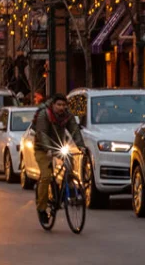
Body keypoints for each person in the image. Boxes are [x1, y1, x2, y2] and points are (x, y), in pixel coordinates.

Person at [30, 93, 84, 226]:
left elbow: (74, 130)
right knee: (46, 176)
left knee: (69, 161)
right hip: (42, 148)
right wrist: (48, 148)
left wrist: (81, 146)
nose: (61, 107)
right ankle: (42, 208)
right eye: (59, 105)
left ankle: (70, 188)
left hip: (58, 146)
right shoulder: (44, 115)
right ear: (53, 105)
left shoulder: (68, 115)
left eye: (64, 105)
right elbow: (41, 133)